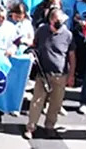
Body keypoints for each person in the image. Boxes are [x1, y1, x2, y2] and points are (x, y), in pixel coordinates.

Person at [24, 8, 73, 140]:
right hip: (43, 73)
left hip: (60, 74)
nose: (60, 23)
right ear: (51, 20)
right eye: (57, 20)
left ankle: (50, 126)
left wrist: (71, 75)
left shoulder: (67, 35)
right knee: (37, 101)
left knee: (56, 103)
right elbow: (35, 44)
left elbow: (72, 55)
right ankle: (31, 127)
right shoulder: (42, 30)